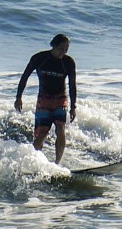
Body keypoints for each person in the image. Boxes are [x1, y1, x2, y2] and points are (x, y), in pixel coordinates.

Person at [15, 33, 78, 163]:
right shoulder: (39, 58)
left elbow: (72, 85)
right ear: (54, 45)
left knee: (60, 129)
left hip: (61, 99)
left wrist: (73, 107)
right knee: (42, 133)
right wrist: (18, 97)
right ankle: (33, 163)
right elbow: (24, 77)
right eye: (61, 48)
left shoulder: (68, 62)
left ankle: (57, 163)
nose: (63, 52)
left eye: (66, 49)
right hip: (43, 99)